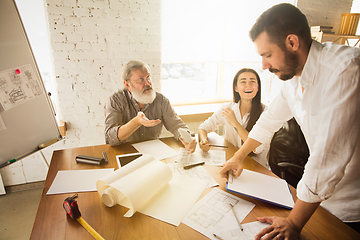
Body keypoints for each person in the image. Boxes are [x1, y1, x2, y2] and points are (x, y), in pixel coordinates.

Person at [220, 3, 360, 239]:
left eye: (267, 55)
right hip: (317, 201)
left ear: (292, 43)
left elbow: (328, 156)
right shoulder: (293, 77)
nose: (263, 66)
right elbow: (269, 120)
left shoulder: (345, 69)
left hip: (350, 207)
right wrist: (238, 156)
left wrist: (293, 222)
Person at [105, 60, 196, 152]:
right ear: (128, 84)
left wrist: (187, 139)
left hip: (154, 153)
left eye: (148, 77)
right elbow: (110, 138)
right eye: (141, 79)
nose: (148, 83)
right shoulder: (116, 101)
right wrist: (136, 122)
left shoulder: (161, 100)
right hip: (126, 152)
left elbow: (176, 125)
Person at [198, 68, 269, 167]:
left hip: (255, 167)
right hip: (230, 161)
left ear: (258, 87)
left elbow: (257, 148)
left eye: (252, 81)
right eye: (243, 82)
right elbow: (204, 127)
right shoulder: (228, 108)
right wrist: (203, 141)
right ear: (236, 88)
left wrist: (235, 123)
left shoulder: (266, 113)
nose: (248, 85)